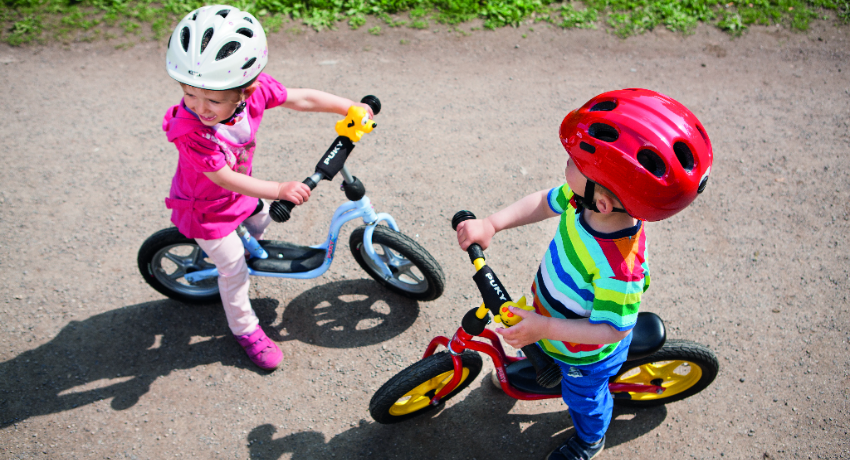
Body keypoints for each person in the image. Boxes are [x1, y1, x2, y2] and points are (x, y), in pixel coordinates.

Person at [456, 89, 712, 460]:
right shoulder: (584, 201)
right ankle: (540, 357)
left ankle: (591, 439)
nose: (568, 163)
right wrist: (491, 225)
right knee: (536, 337)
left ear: (604, 201)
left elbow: (612, 329)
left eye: (576, 163)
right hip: (551, 316)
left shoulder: (619, 267)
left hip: (584, 353)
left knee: (584, 399)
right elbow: (545, 201)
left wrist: (544, 329)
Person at [161, 5, 374, 371]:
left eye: (213, 99)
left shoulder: (253, 94)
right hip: (207, 210)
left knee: (259, 220)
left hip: (239, 195)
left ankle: (247, 245)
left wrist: (348, 107)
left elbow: (300, 98)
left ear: (246, 89)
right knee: (234, 271)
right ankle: (246, 330)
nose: (200, 107)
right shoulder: (192, 131)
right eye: (189, 94)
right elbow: (223, 177)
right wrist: (278, 188)